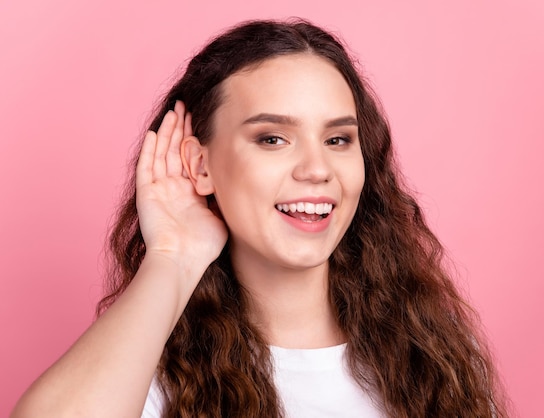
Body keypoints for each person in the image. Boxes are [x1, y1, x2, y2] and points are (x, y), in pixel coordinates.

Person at [12, 19, 508, 417]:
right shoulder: (148, 374)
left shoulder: (434, 356)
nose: (317, 170)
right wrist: (172, 256)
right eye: (273, 138)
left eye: (338, 140)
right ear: (200, 165)